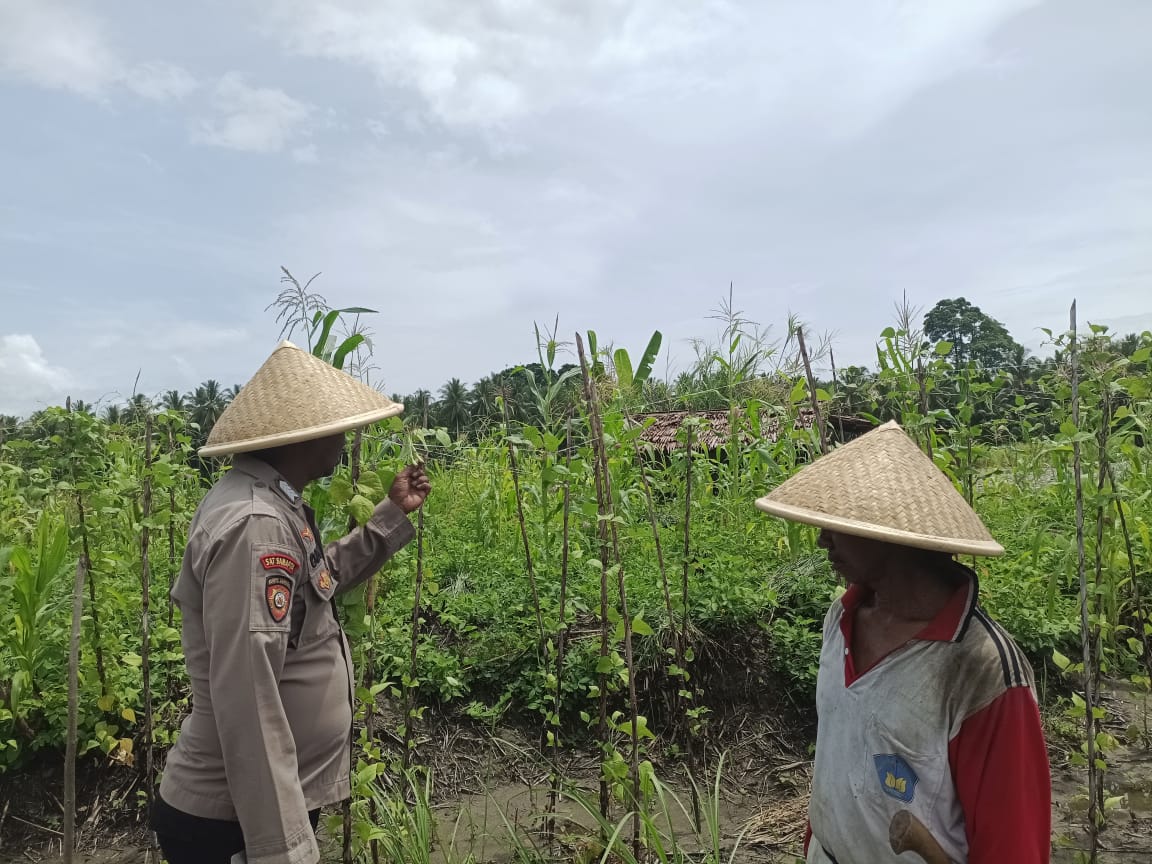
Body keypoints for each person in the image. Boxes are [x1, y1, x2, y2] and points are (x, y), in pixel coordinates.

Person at [150, 341, 430, 864]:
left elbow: (316, 585)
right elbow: (247, 698)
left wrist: (391, 514)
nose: (349, 437)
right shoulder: (256, 525)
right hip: (232, 825)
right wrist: (282, 850)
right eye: (339, 427)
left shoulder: (273, 503)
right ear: (303, 436)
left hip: (251, 812)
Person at [755, 420, 1050, 864]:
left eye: (838, 524)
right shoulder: (840, 619)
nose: (821, 540)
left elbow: (1015, 845)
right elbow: (837, 765)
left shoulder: (984, 670)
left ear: (891, 536)